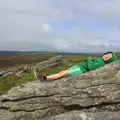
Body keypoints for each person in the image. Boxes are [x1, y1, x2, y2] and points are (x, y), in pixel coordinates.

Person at [36, 52, 118, 81]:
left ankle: (45, 78)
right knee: (62, 73)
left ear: (109, 60)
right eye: (108, 54)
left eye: (109, 57)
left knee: (62, 73)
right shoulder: (100, 60)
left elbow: (90, 67)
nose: (106, 56)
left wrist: (89, 59)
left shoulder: (101, 63)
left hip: (80, 69)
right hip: (78, 67)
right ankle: (47, 77)